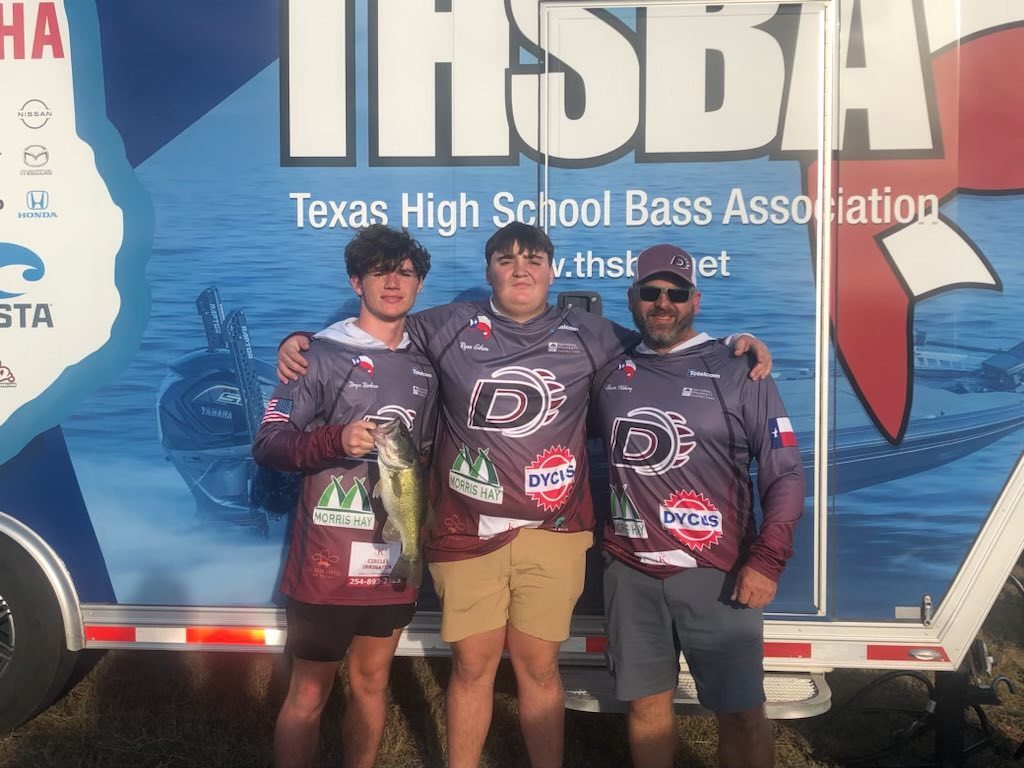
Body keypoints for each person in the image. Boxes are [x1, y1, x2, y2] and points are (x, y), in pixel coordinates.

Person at [277, 222, 771, 768]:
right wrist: (300, 342)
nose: (520, 268)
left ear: (552, 271)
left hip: (552, 537)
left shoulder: (593, 333)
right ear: (488, 271)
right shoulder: (446, 324)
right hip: (466, 540)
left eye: (533, 258)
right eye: (506, 259)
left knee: (539, 671)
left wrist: (730, 345)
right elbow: (374, 330)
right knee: (471, 670)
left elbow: (667, 338)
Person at [590, 244, 805, 768]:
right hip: (630, 571)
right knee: (645, 708)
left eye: (676, 292)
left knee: (740, 713)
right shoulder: (609, 368)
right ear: (632, 299)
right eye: (650, 292)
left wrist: (768, 558)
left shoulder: (739, 369)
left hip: (719, 572)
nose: (662, 303)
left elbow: (786, 471)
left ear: (695, 300)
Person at [252, 225, 437, 768]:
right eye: (380, 270)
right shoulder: (318, 356)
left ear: (420, 285)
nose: (393, 282)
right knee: (308, 694)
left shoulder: (427, 363)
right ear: (356, 280)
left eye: (405, 272)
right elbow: (267, 443)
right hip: (326, 564)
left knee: (372, 683)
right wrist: (336, 439)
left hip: (391, 561)